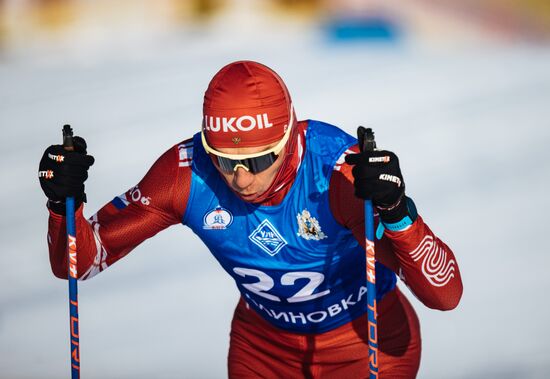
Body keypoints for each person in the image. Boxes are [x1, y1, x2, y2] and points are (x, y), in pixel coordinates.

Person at [38, 60, 463, 378]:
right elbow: (78, 263)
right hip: (263, 350)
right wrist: (62, 206)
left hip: (366, 343)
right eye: (224, 159)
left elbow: (445, 296)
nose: (240, 178)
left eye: (259, 159)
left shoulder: (337, 174)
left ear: (290, 136)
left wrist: (396, 211)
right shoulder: (186, 174)